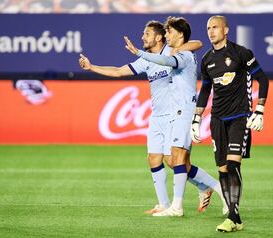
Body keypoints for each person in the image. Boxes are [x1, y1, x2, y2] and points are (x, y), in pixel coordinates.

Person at [79, 20, 227, 216]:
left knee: (176, 162)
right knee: (154, 158)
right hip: (157, 116)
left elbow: (197, 43)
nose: (143, 37)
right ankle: (164, 204)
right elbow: (119, 71)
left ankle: (207, 189)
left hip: (176, 113)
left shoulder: (174, 52)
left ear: (159, 37)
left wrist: (176, 47)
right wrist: (92, 67)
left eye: (147, 34)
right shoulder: (147, 59)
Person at [125, 16, 228, 217]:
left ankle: (177, 206)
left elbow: (170, 58)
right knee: (175, 161)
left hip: (184, 110)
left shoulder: (184, 55)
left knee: (178, 159)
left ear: (179, 34)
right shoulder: (179, 50)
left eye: (170, 31)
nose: (167, 34)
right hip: (176, 112)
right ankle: (210, 188)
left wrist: (139, 53)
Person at [190, 15, 269, 232]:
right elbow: (205, 90)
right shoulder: (206, 59)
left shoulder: (241, 53)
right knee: (223, 169)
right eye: (208, 28)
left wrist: (259, 110)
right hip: (217, 119)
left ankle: (233, 217)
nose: (211, 31)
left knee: (233, 164)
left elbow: (263, 79)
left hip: (239, 117)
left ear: (226, 30)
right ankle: (236, 219)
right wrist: (196, 119)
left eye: (215, 27)